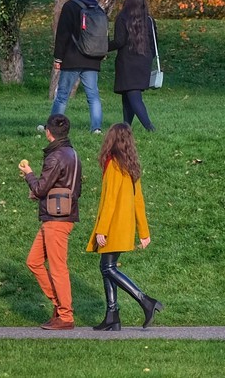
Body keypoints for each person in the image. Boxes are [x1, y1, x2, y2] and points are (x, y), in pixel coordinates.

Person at [86, 123, 161, 330]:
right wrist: (144, 232)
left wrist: (102, 229)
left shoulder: (113, 164)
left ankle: (145, 301)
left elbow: (109, 200)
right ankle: (112, 315)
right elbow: (139, 201)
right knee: (106, 267)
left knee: (108, 267)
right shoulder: (131, 165)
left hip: (113, 226)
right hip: (125, 225)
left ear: (111, 140)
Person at [20, 113, 83, 331]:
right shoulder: (72, 154)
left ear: (48, 132)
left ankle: (65, 316)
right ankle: (59, 306)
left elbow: (40, 188)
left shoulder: (55, 157)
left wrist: (28, 175)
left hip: (56, 219)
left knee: (57, 268)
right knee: (33, 261)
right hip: (63, 215)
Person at [51, 0, 107, 134]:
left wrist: (58, 58)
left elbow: (63, 34)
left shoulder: (70, 6)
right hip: (92, 59)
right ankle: (96, 128)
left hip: (72, 58)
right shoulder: (96, 6)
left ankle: (53, 127)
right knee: (93, 96)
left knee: (62, 95)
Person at [111, 0, 157, 132]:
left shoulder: (122, 18)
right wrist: (150, 58)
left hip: (127, 61)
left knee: (133, 96)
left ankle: (150, 127)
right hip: (144, 60)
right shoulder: (148, 20)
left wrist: (103, 46)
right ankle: (126, 126)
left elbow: (119, 41)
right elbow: (154, 43)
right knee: (128, 94)